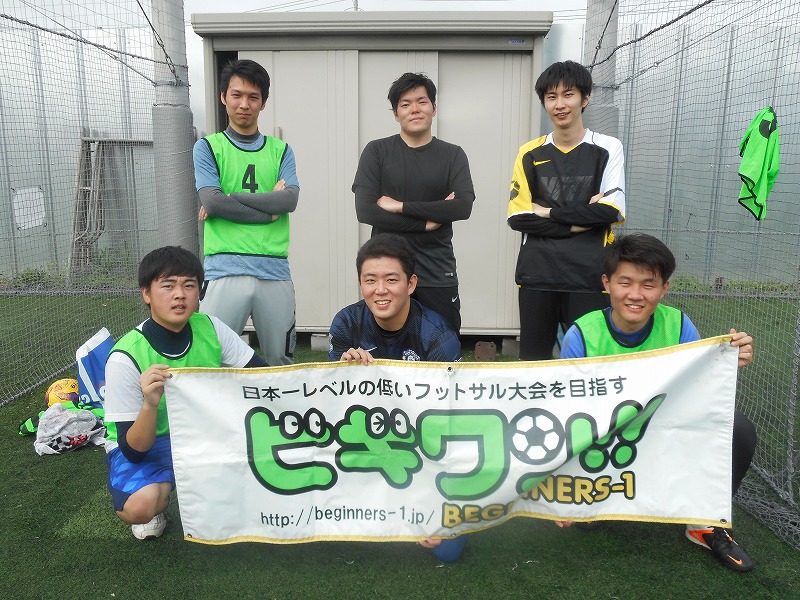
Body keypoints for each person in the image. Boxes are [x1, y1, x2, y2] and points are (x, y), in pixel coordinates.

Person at [559, 233, 758, 573]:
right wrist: (563, 492)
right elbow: (566, 414)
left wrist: (727, 360)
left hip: (663, 426)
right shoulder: (581, 334)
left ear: (664, 289)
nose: (636, 295)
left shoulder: (678, 324)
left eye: (648, 284)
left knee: (739, 429)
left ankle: (704, 520)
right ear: (607, 284)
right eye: (625, 282)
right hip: (608, 434)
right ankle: (591, 493)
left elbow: (698, 390)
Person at [104, 246, 267, 540]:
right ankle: (162, 494)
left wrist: (341, 371)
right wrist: (150, 404)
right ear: (146, 293)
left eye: (189, 285)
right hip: (148, 446)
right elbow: (134, 451)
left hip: (203, 434)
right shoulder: (124, 357)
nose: (180, 295)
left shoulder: (211, 328)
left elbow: (264, 376)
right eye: (168, 286)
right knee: (141, 505)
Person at [328, 233, 466, 562]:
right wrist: (342, 373)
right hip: (364, 439)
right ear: (360, 283)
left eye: (391, 280)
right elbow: (328, 404)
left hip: (420, 445)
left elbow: (451, 420)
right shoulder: (347, 322)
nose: (380, 290)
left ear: (411, 283)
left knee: (448, 548)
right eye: (370, 280)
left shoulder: (437, 334)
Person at [507, 60, 626, 360]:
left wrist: (548, 212)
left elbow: (610, 212)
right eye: (551, 97)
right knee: (533, 364)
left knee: (587, 363)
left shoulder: (608, 148)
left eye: (568, 94)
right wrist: (581, 219)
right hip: (537, 276)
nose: (559, 104)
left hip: (589, 276)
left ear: (585, 99)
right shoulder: (529, 152)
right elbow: (518, 218)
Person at [193, 58, 299, 366]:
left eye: (253, 97)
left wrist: (232, 198)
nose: (244, 104)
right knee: (212, 362)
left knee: (281, 362)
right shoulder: (208, 147)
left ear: (263, 103)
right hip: (224, 269)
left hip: (274, 271)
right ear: (223, 97)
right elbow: (213, 202)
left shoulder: (281, 150)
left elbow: (289, 201)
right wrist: (268, 212)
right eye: (236, 95)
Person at [353, 72, 475, 335]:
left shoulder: (453, 155)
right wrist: (426, 223)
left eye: (422, 101)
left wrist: (400, 206)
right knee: (385, 350)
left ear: (434, 108)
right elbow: (365, 210)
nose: (415, 109)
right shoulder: (377, 151)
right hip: (388, 271)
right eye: (405, 104)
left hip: (437, 270)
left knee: (443, 345)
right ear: (396, 114)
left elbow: (462, 206)